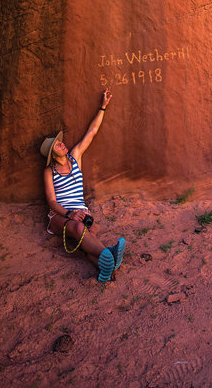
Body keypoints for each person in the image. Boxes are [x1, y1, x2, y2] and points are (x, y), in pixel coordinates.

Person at [40, 88, 125, 282]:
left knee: (89, 236)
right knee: (79, 230)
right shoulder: (49, 172)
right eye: (57, 145)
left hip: (82, 211)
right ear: (52, 155)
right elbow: (51, 202)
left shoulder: (75, 157)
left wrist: (102, 107)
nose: (62, 144)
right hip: (60, 215)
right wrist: (70, 214)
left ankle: (105, 271)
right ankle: (109, 253)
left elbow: (92, 132)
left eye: (60, 143)